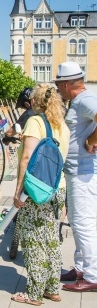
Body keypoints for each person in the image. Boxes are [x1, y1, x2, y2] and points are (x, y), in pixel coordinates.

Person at [11, 84, 69, 305]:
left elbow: (26, 159)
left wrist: (18, 192)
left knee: (33, 240)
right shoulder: (62, 126)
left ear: (35, 101)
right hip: (57, 187)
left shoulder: (35, 123)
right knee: (51, 239)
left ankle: (34, 293)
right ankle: (52, 288)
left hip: (36, 191)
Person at [54, 61, 97, 292]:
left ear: (69, 83)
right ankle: (80, 268)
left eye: (59, 84)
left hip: (83, 172)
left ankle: (92, 275)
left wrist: (92, 140)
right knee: (80, 222)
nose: (58, 89)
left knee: (83, 223)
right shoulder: (77, 101)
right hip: (76, 171)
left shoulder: (85, 100)